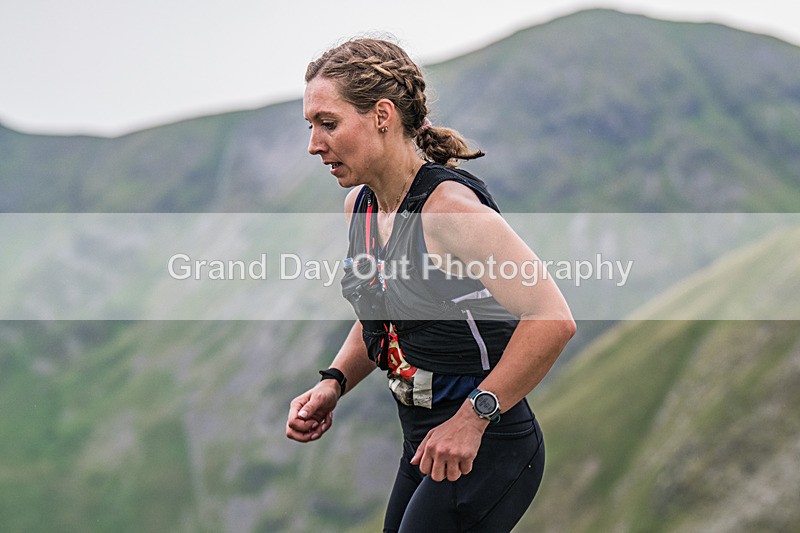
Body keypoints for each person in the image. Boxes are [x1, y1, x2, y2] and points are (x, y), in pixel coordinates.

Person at [286, 37, 575, 533]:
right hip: (423, 438)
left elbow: (552, 319)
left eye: (328, 124)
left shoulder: (450, 212)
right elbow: (383, 318)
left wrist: (472, 418)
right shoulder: (362, 207)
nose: (314, 144)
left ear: (381, 115)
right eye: (311, 126)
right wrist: (334, 382)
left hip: (487, 444)